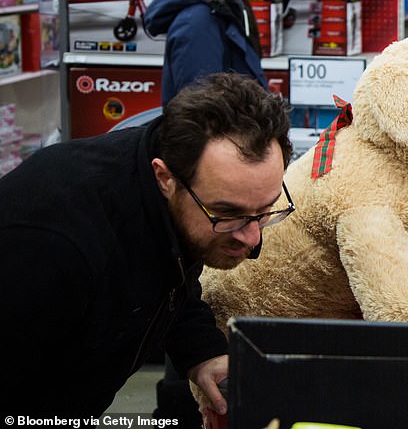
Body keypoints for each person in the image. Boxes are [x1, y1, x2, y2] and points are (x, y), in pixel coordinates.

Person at [0, 72, 294, 417]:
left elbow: (170, 268)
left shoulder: (184, 191)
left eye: (265, 210)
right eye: (228, 214)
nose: (252, 236)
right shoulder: (51, 246)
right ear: (164, 178)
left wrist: (203, 352)